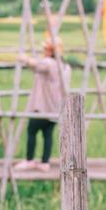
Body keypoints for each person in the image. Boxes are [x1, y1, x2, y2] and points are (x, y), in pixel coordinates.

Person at [14, 37, 71, 172]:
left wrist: (24, 58)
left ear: (51, 51)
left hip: (43, 107)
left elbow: (37, 65)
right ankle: (45, 162)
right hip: (55, 108)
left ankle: (29, 160)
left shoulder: (50, 63)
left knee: (32, 131)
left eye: (46, 49)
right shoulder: (65, 67)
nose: (44, 51)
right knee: (48, 134)